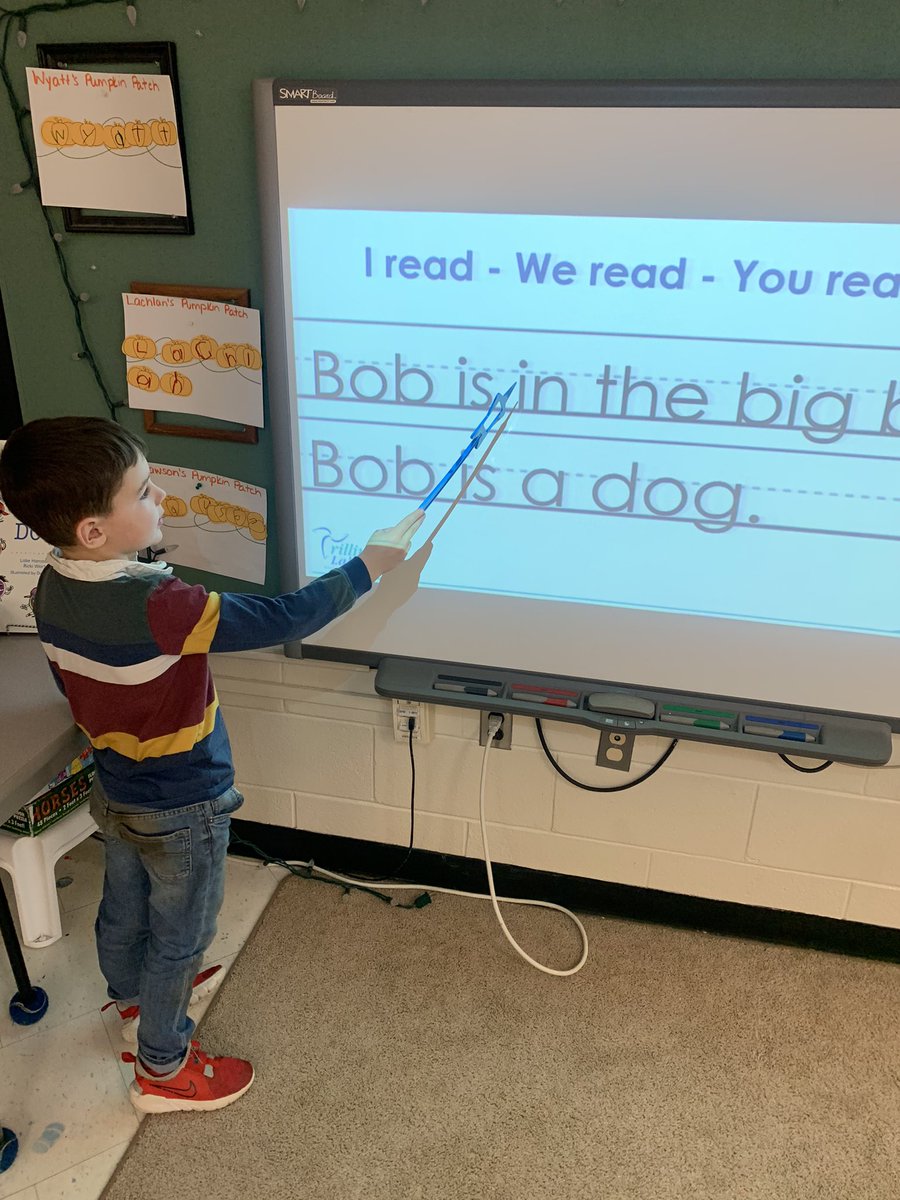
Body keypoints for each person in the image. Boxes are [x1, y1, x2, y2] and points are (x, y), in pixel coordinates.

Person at [0, 416, 423, 1114]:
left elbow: (70, 681)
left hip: (116, 786)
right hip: (184, 801)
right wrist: (369, 566)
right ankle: (163, 1069)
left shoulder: (49, 585)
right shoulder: (163, 606)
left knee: (124, 906)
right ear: (94, 530)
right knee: (182, 936)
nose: (160, 496)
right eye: (143, 491)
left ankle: (132, 1003)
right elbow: (287, 617)